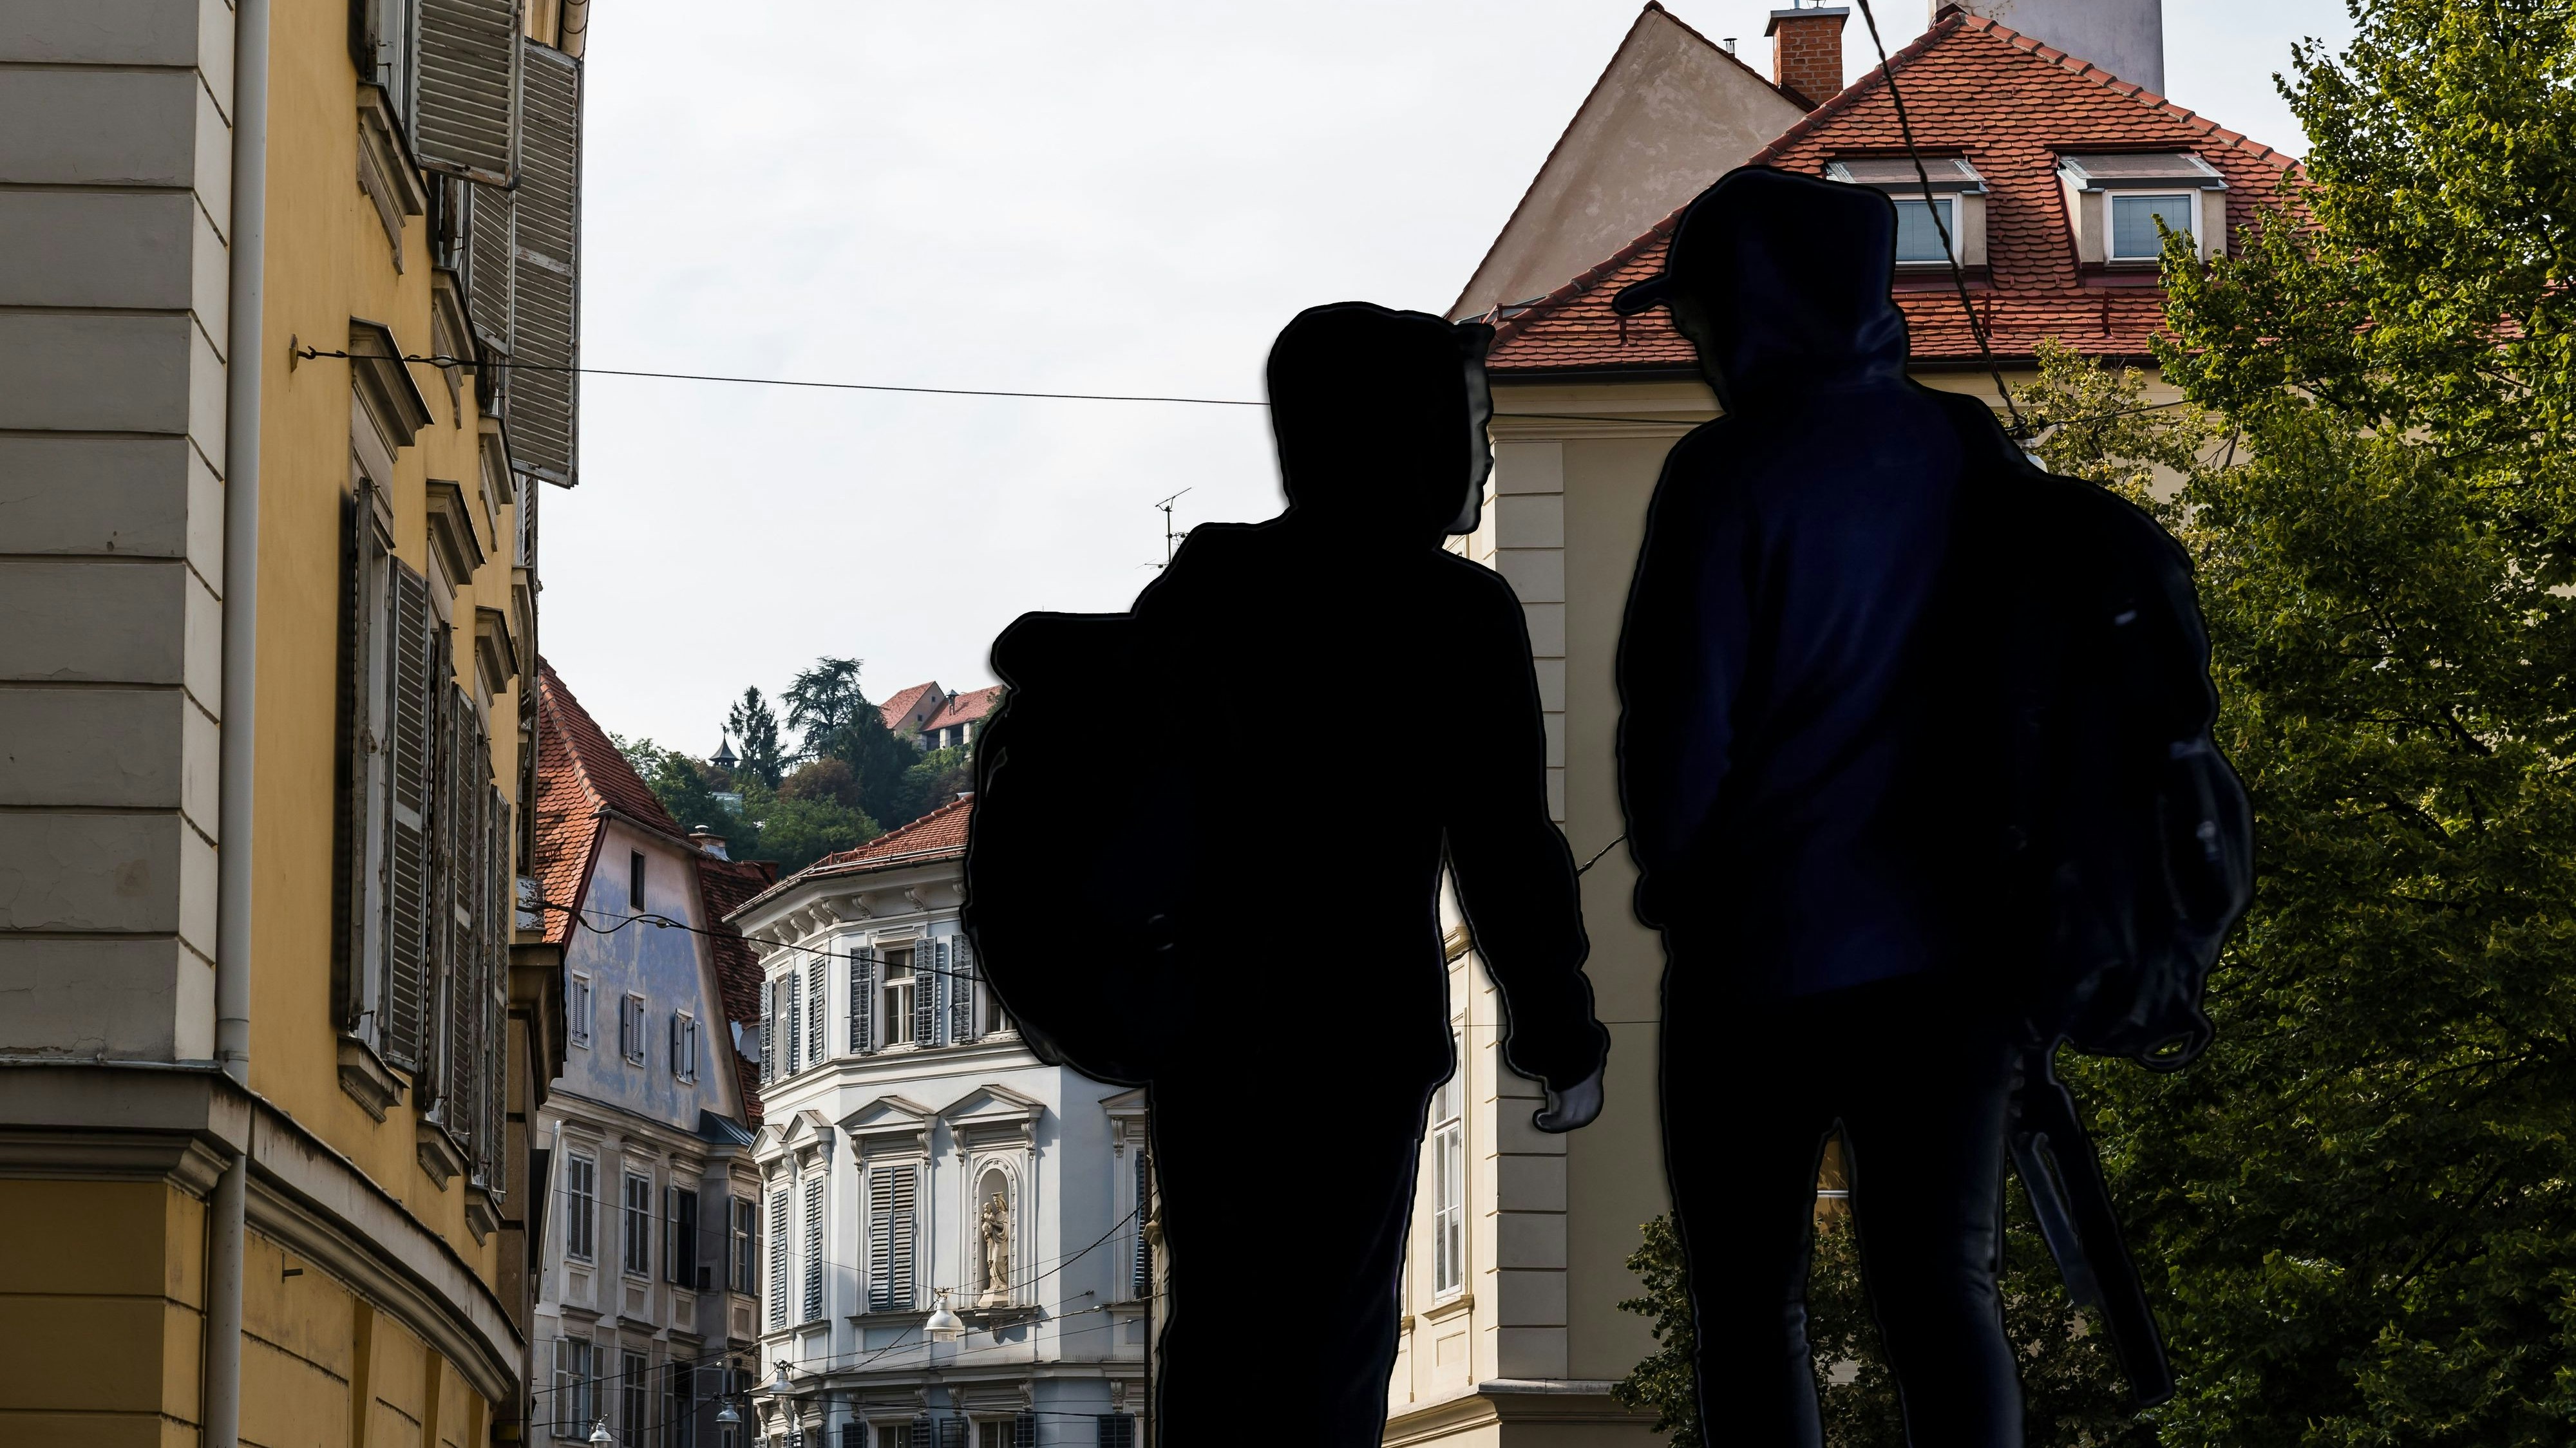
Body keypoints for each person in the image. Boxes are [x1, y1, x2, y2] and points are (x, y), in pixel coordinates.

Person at [967, 302, 1609, 1446]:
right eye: (1472, 417)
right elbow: (1508, 847)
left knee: (1218, 1336)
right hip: (1360, 1033)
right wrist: (1562, 1032)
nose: (1489, 449)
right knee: (1331, 1358)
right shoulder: (1454, 611)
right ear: (1407, 431)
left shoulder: (1218, 579)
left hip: (1213, 1030)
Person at [1612, 167, 2032, 1447]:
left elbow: (1675, 727)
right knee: (1944, 1292)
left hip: (1758, 962)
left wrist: (1674, 887)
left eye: (1697, 325)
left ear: (1752, 313)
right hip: (1954, 958)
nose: (1694, 351)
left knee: (1749, 1309)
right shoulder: (1966, 448)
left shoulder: (1723, 473)